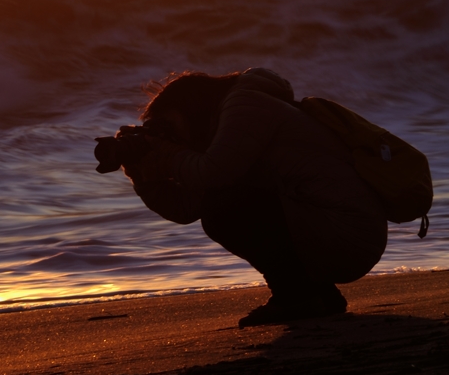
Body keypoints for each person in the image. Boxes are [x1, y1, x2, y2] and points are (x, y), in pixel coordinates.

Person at [117, 67, 387, 327]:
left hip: (348, 234)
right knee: (224, 204)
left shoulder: (246, 104)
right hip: (334, 231)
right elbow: (185, 209)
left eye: (169, 125)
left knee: (225, 208)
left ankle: (295, 296)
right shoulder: (223, 132)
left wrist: (165, 153)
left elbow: (212, 176)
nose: (171, 136)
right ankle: (316, 295)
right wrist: (142, 173)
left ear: (192, 107)